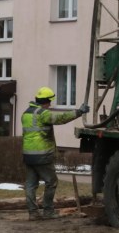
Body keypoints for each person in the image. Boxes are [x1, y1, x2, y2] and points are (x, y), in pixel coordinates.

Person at [22, 86, 89, 220]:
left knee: (30, 184)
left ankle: (33, 213)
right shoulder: (42, 114)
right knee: (51, 182)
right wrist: (79, 112)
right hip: (42, 155)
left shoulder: (26, 113)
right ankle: (48, 211)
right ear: (45, 101)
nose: (50, 104)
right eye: (49, 102)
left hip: (28, 155)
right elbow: (60, 118)